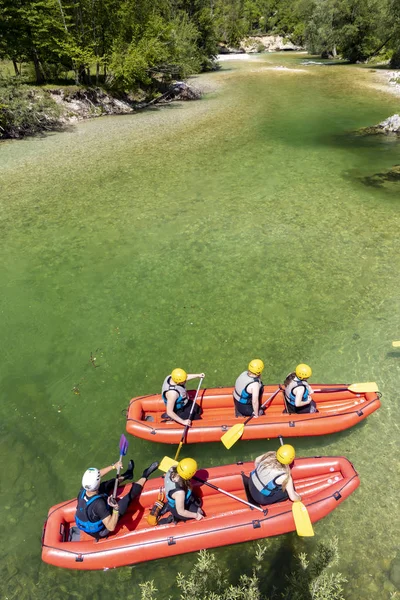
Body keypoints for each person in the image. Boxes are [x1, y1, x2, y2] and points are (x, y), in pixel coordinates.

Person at [75, 458, 159, 539]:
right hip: (102, 530)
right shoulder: (99, 504)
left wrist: (113, 466)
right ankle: (145, 475)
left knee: (107, 484)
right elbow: (111, 527)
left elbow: (98, 474)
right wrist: (115, 508)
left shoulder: (83, 489)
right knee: (127, 498)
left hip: (94, 510)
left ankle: (128, 474)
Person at [164, 458, 204, 522]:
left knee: (198, 502)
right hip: (177, 509)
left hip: (178, 497)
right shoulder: (180, 493)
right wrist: (196, 515)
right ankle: (174, 518)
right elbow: (181, 512)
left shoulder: (172, 468)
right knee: (200, 512)